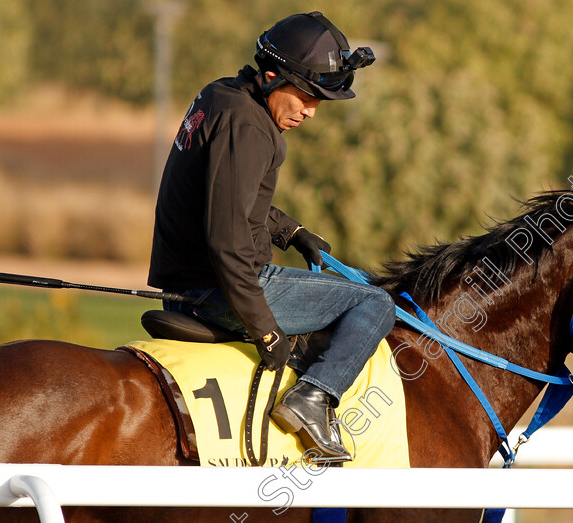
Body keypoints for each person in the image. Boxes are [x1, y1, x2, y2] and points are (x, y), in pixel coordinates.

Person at [148, 11, 395, 463]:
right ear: (270, 76)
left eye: (320, 101)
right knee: (374, 302)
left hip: (191, 286)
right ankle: (314, 399)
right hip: (220, 290)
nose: (310, 110)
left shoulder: (221, 95)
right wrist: (264, 333)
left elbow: (230, 196)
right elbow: (227, 244)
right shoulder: (249, 126)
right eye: (306, 95)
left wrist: (292, 231)